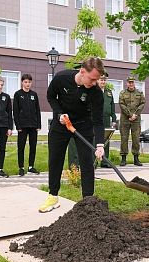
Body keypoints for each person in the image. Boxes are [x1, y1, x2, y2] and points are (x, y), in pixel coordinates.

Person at [39, 57, 106, 213]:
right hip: (62, 123)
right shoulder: (61, 78)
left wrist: (100, 144)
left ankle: (88, 202)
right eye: (92, 78)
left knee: (87, 163)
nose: (95, 83)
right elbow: (51, 96)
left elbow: (98, 121)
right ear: (82, 72)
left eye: (97, 80)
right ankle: (53, 196)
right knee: (55, 160)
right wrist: (59, 114)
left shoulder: (96, 93)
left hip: (83, 126)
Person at [13, 74, 41, 176]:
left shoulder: (34, 94)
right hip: (22, 126)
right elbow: (15, 112)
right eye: (25, 82)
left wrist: (38, 124)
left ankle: (30, 167)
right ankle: (21, 167)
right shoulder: (17, 94)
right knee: (21, 147)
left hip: (33, 125)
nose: (27, 84)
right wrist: (18, 126)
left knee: (33, 146)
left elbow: (37, 110)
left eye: (29, 82)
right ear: (22, 82)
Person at [119, 76, 146, 166]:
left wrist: (135, 114)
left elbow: (142, 103)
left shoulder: (139, 92)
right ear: (127, 83)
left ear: (134, 83)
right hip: (125, 119)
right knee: (124, 138)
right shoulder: (122, 93)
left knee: (136, 139)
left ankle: (136, 158)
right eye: (129, 82)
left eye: (132, 82)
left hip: (136, 119)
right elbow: (121, 104)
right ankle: (123, 158)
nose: (131, 84)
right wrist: (130, 115)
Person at [98, 73, 117, 168]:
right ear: (98, 80)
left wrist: (114, 119)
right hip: (97, 119)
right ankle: (94, 162)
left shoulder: (109, 92)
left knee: (106, 140)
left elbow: (112, 107)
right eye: (101, 80)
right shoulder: (94, 91)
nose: (103, 82)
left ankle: (105, 161)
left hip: (106, 119)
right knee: (96, 140)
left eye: (104, 80)